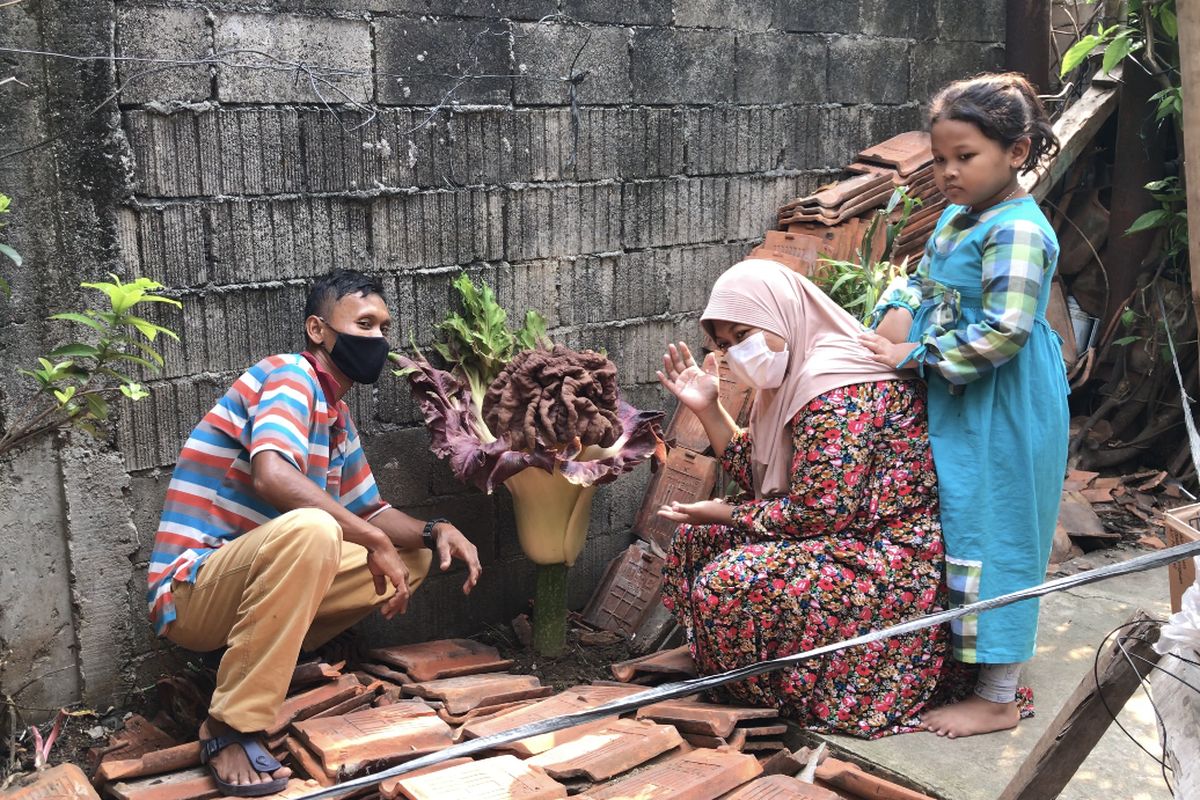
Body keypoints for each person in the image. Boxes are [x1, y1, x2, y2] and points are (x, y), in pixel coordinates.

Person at [147, 269, 482, 795]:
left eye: (383, 327)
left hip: (244, 588)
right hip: (190, 590)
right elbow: (273, 475)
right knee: (314, 528)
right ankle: (229, 725)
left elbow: (371, 513)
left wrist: (438, 528)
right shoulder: (289, 376)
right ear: (318, 329)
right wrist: (371, 541)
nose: (376, 338)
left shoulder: (336, 415)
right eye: (363, 323)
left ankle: (252, 659)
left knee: (412, 557)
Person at [655, 258, 950, 739]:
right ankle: (719, 661)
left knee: (726, 582)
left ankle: (773, 692)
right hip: (844, 536)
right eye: (727, 345)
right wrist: (709, 408)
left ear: (781, 313)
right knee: (696, 539)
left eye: (744, 334)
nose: (737, 354)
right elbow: (764, 471)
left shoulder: (835, 386)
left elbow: (818, 512)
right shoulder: (795, 375)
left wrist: (729, 512)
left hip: (890, 559)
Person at [861, 72, 1069, 738]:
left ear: (1018, 151)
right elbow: (921, 282)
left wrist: (914, 357)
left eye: (965, 157)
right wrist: (892, 318)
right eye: (940, 157)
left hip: (1003, 403)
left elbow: (1004, 331)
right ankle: (970, 667)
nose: (948, 172)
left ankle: (999, 696)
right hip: (962, 397)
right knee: (959, 524)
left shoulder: (1018, 231)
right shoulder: (961, 216)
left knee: (999, 531)